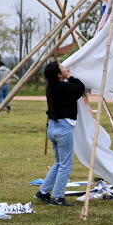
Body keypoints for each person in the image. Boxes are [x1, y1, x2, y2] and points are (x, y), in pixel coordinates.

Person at [34, 61, 85, 206]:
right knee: (66, 164)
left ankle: (43, 192)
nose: (66, 68)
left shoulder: (51, 87)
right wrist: (70, 76)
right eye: (63, 68)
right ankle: (57, 197)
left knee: (59, 162)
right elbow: (80, 88)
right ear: (58, 74)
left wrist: (66, 76)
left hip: (52, 127)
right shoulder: (62, 87)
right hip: (63, 128)